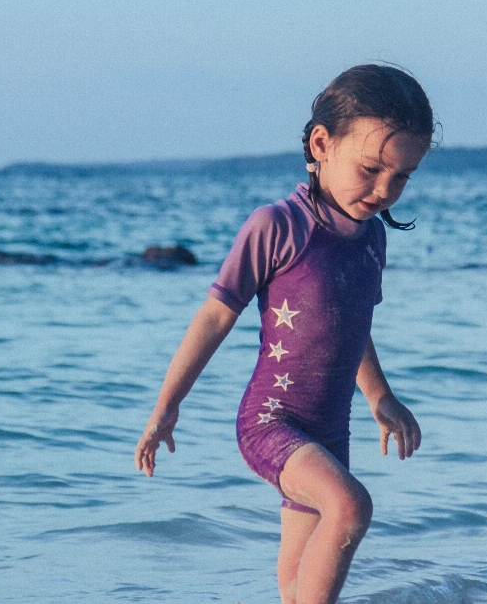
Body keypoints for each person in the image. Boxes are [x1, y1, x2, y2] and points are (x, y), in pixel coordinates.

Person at [135, 64, 436, 604]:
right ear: (322, 143)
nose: (385, 189)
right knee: (351, 507)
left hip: (331, 432)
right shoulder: (276, 226)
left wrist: (381, 395)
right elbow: (213, 317)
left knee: (296, 588)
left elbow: (352, 324)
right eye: (370, 169)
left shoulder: (371, 240)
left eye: (402, 176)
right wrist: (166, 407)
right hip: (272, 422)